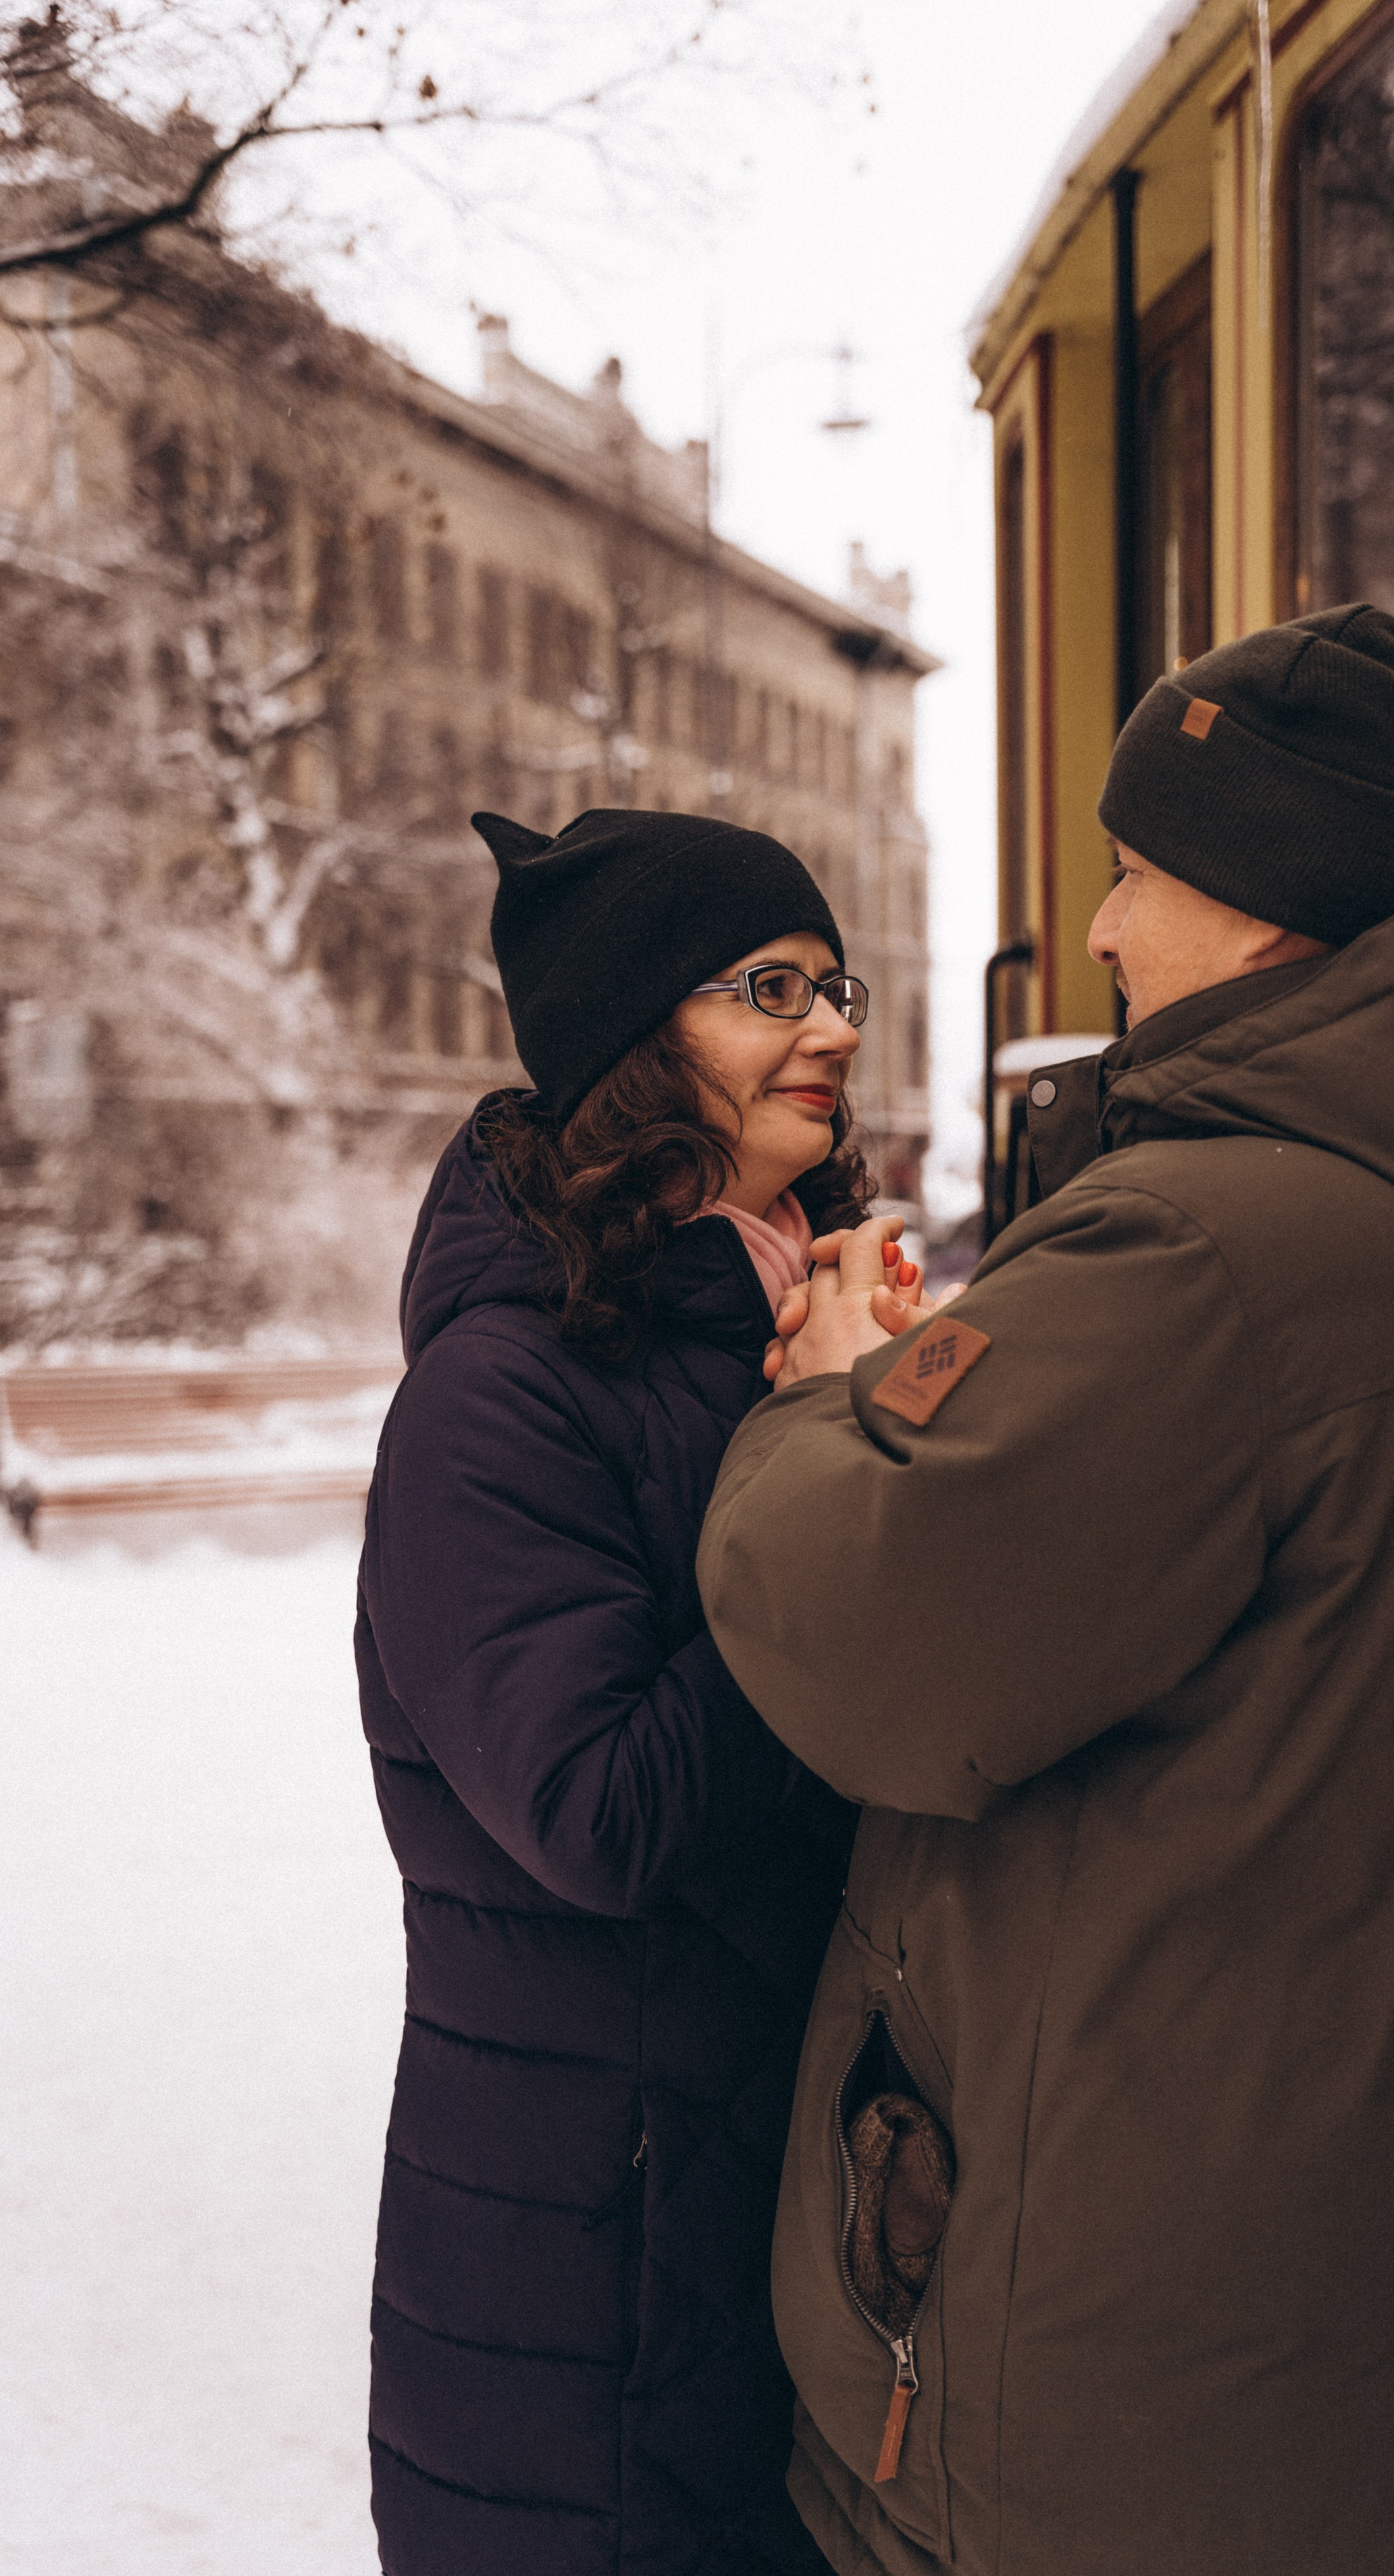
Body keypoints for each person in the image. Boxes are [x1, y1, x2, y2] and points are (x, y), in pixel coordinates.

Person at [696, 606, 1394, 2576]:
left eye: (1143, 873)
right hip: (1383, 2345)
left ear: (1270, 901)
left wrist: (818, 1405)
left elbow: (877, 1640)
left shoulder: (1207, 1243)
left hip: (1139, 2405)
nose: (1113, 932)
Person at [355, 808, 914, 2576]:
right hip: (587, 2288)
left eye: (839, 988)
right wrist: (835, 1444)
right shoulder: (497, 1397)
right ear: (632, 1038)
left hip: (758, 2228)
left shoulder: (756, 1331)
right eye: (770, 989)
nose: (831, 1028)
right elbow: (604, 1812)